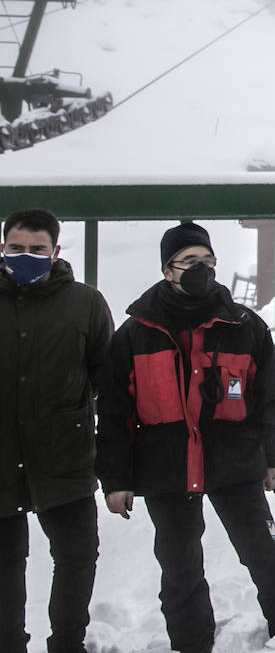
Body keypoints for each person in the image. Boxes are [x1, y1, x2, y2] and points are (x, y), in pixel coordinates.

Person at [96, 221, 275, 653]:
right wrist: (116, 479)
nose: (202, 269)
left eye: (208, 261)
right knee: (179, 569)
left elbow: (270, 397)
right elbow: (115, 414)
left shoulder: (243, 325)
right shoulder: (134, 335)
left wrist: (270, 457)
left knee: (265, 553)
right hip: (165, 468)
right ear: (168, 270)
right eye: (190, 262)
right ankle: (191, 644)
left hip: (235, 462)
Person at [0, 208, 114, 653]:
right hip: (1, 460)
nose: (24, 256)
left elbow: (107, 378)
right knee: (6, 564)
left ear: (55, 252)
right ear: (3, 247)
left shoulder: (84, 302)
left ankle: (67, 643)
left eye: (36, 250)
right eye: (16, 248)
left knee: (77, 556)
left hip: (64, 456)